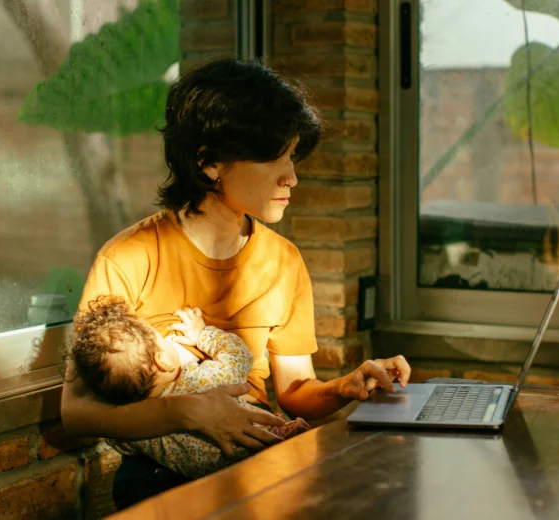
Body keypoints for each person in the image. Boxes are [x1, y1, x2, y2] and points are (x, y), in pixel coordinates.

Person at [59, 57, 412, 509]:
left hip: (257, 455)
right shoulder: (129, 257)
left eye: (292, 156)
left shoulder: (283, 261)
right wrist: (189, 410)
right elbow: (76, 411)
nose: (292, 176)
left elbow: (296, 392)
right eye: (274, 158)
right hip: (164, 471)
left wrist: (346, 386)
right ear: (210, 164)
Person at [71, 295, 310, 479]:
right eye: (162, 340)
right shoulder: (202, 381)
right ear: (162, 361)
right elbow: (240, 356)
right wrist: (201, 335)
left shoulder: (140, 430)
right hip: (264, 449)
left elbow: (118, 440)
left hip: (216, 482)